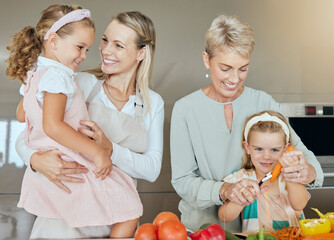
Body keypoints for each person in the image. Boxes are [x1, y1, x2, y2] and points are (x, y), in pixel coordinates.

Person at [13, 8, 164, 239]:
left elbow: (152, 169)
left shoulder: (152, 103)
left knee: (132, 211)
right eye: (105, 40)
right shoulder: (78, 81)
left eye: (119, 45)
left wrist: (109, 150)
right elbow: (30, 130)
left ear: (141, 53)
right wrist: (35, 160)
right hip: (62, 217)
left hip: (112, 215)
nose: (106, 51)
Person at [170, 14, 323, 233]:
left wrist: (309, 172)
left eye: (243, 69)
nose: (234, 79)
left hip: (263, 232)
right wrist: (225, 190)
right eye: (225, 68)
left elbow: (300, 151)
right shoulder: (185, 109)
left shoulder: (263, 102)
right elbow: (182, 181)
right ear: (206, 59)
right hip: (205, 231)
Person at [218, 110, 309, 232]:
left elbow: (299, 205)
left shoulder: (291, 175)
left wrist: (291, 178)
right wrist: (241, 200)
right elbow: (224, 216)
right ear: (247, 148)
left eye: (275, 150)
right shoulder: (241, 179)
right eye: (259, 149)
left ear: (285, 149)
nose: (266, 156)